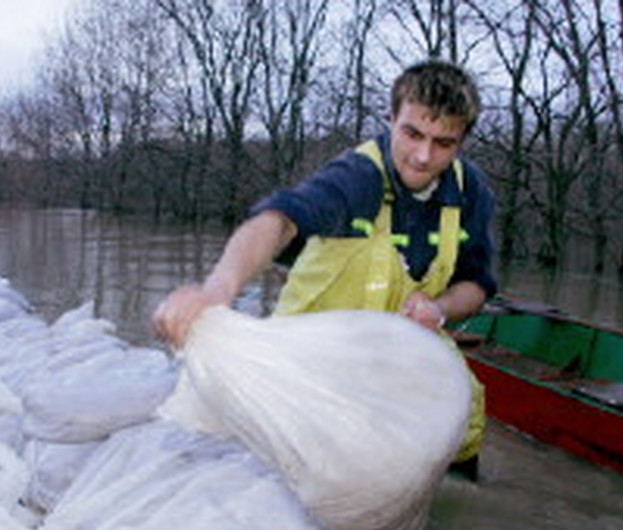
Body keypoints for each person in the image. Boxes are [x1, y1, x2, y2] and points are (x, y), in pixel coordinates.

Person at [153, 60, 496, 480]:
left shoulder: (471, 192)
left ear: (461, 142)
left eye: (443, 143)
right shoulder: (358, 176)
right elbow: (277, 222)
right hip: (313, 361)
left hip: (395, 359)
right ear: (391, 119)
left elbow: (476, 284)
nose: (423, 157)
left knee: (465, 414)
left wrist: (439, 309)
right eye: (412, 134)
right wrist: (218, 288)